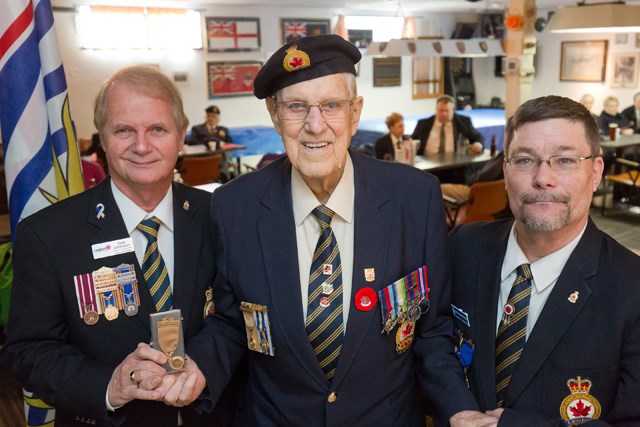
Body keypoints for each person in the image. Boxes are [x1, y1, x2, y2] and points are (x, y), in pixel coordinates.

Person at [159, 35, 497, 426]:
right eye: (296, 107)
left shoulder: (413, 197)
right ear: (274, 115)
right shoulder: (235, 206)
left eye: (331, 106)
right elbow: (233, 321)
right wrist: (195, 365)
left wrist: (460, 409)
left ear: (355, 113)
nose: (314, 126)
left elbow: (433, 330)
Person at [0, 66, 236, 426]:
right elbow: (28, 351)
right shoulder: (48, 235)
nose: (141, 146)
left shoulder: (221, 217)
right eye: (124, 130)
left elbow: (237, 317)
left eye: (157, 129)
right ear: (102, 138)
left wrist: (204, 363)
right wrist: (108, 385)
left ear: (181, 135)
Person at [450, 95, 640, 425]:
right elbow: (431, 347)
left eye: (564, 161)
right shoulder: (462, 247)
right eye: (525, 161)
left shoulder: (632, 287)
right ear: (505, 171)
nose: (543, 178)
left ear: (595, 173)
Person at [411, 95, 484, 157]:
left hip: (454, 165)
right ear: (436, 110)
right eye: (440, 110)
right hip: (427, 165)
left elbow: (477, 136)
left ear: (452, 110)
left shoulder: (464, 122)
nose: (443, 114)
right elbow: (412, 140)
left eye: (446, 111)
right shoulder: (423, 124)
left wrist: (478, 143)